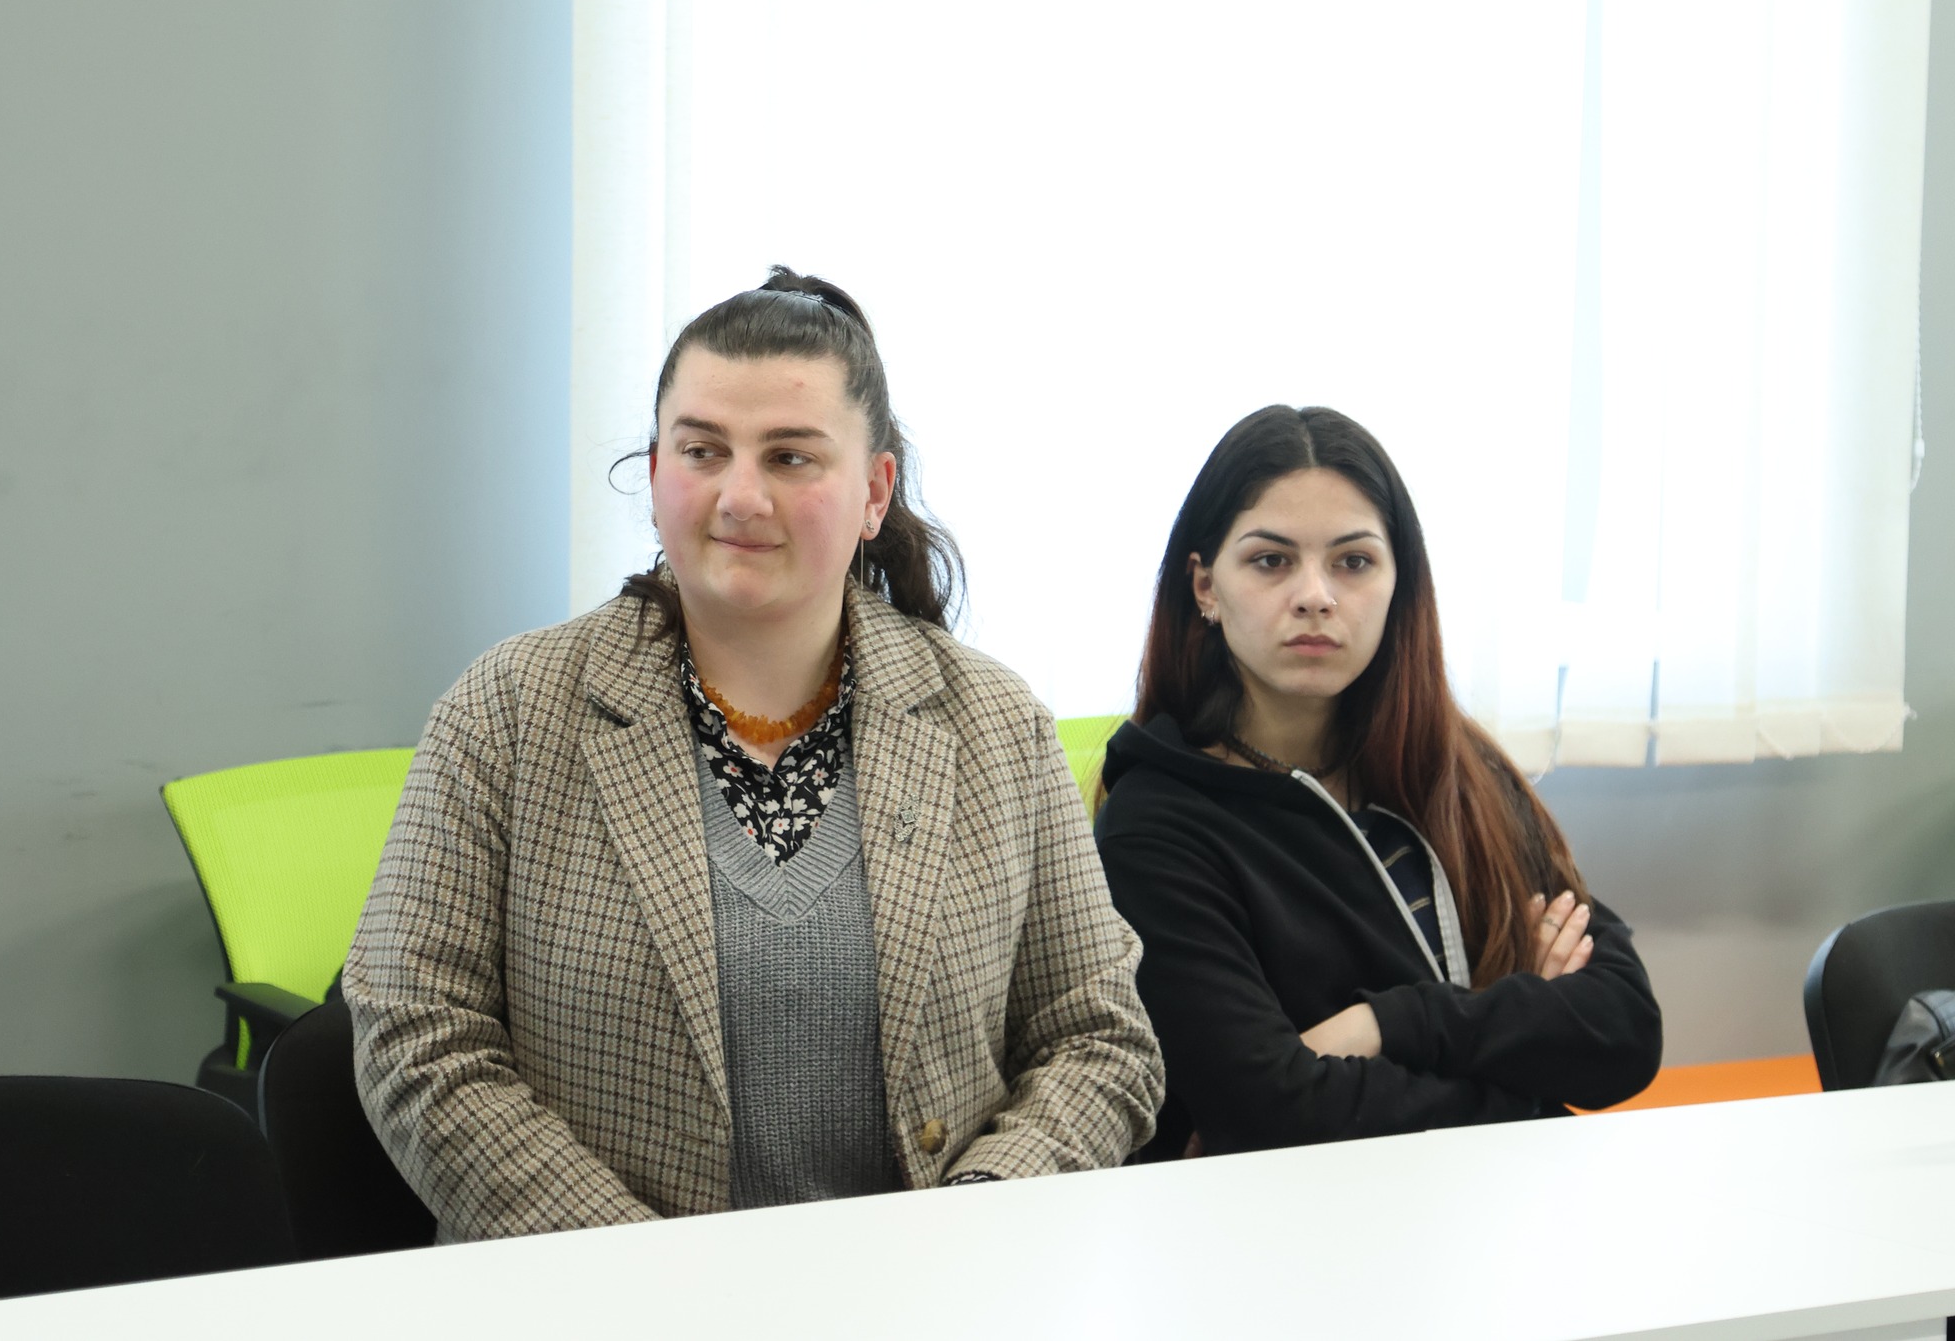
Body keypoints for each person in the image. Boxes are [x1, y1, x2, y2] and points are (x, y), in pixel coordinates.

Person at [345, 267, 1163, 1241]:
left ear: (873, 491)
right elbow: (418, 1032)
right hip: (598, 1297)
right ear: (657, 473)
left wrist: (972, 1220)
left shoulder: (994, 723)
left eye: (790, 457)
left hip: (923, 1291)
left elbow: (1098, 1038)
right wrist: (644, 1272)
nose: (739, 496)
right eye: (703, 451)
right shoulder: (510, 711)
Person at [1097, 404, 1659, 1158]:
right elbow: (1275, 1113)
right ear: (1205, 586)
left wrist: (1386, 1025)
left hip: (1502, 1199)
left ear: (1399, 584)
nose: (1315, 595)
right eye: (1271, 561)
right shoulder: (1154, 824)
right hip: (1289, 1222)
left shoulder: (1456, 767)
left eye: (1353, 562)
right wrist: (1522, 1049)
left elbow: (1623, 1030)